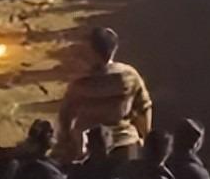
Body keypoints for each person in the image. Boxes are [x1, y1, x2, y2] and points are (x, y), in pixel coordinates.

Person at [58, 27, 152, 162]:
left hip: (90, 147)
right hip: (125, 143)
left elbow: (65, 116)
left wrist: (66, 142)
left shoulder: (81, 83)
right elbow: (144, 108)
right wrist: (145, 137)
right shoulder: (129, 75)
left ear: (92, 51)